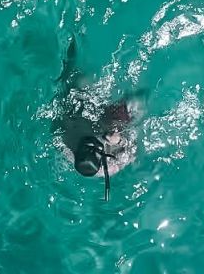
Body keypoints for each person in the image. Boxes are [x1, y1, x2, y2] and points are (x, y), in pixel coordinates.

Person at [52, 37, 141, 201]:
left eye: (87, 144)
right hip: (112, 126)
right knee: (136, 104)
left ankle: (73, 43)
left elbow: (59, 115)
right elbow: (132, 151)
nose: (93, 143)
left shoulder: (66, 140)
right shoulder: (113, 164)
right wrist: (119, 142)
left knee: (79, 80)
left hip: (88, 115)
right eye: (94, 148)